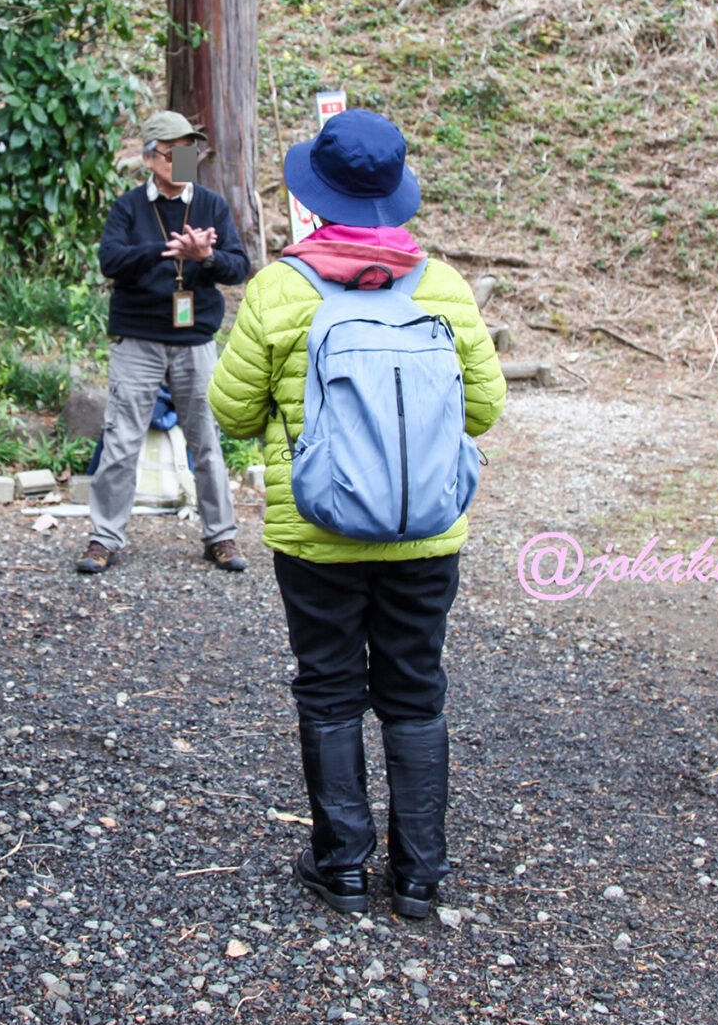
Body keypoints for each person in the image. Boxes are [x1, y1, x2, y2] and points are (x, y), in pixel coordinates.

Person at [209, 110, 505, 920]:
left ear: (317, 196)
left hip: (317, 533)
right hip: (426, 531)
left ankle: (340, 863)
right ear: (394, 195)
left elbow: (231, 413)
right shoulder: (441, 285)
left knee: (331, 684)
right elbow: (483, 408)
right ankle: (419, 873)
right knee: (415, 687)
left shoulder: (279, 288)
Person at [76, 111, 253, 577]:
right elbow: (110, 261)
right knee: (121, 439)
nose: (185, 158)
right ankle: (104, 537)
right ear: (151, 156)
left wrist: (206, 256)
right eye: (176, 151)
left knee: (207, 439)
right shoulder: (129, 207)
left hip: (195, 338)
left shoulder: (212, 205)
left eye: (191, 150)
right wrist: (166, 250)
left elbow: (239, 267)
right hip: (138, 338)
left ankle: (221, 535)